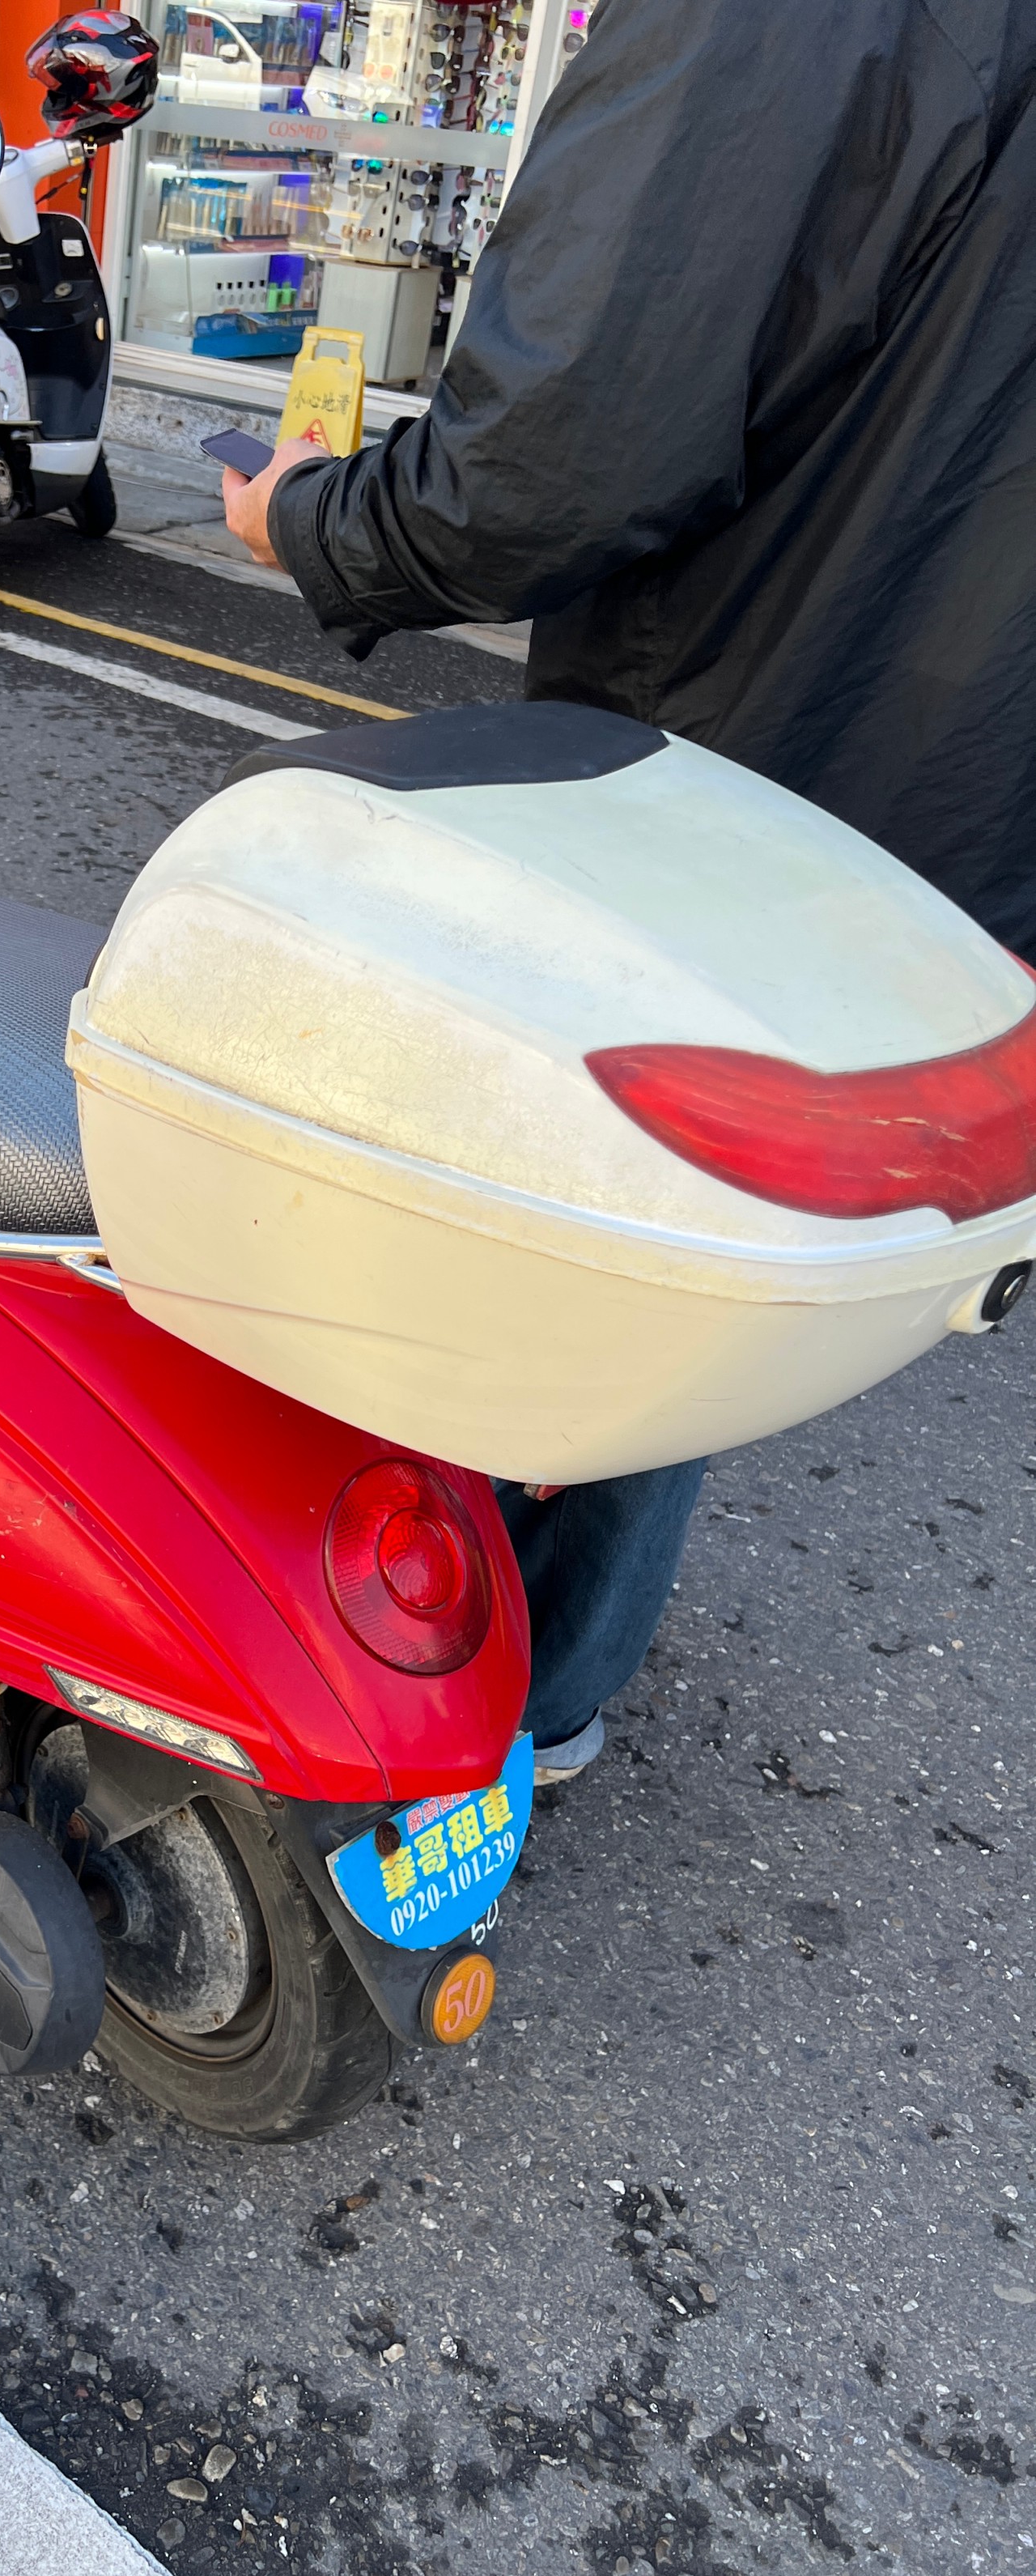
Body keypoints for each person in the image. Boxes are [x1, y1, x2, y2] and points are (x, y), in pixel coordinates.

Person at [221, 0, 1036, 1780]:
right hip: (969, 798)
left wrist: (316, 523)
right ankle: (552, 1678)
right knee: (722, 1218)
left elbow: (560, 449)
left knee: (566, 1192)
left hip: (739, 758)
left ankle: (422, 1688)